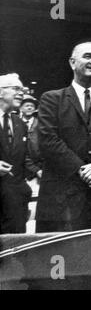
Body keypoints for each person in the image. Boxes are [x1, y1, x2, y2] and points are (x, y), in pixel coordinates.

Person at [36, 41, 91, 232]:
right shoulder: (52, 99)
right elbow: (48, 140)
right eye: (88, 56)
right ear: (72, 62)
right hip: (59, 204)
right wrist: (83, 170)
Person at [0, 74, 32, 233]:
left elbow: (24, 158)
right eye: (16, 89)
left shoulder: (20, 124)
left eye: (22, 90)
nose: (21, 93)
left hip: (16, 204)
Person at [20, 95, 43, 181]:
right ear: (21, 108)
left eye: (32, 106)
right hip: (21, 168)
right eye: (27, 106)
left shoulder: (41, 124)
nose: (29, 108)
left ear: (35, 109)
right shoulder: (15, 124)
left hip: (40, 168)